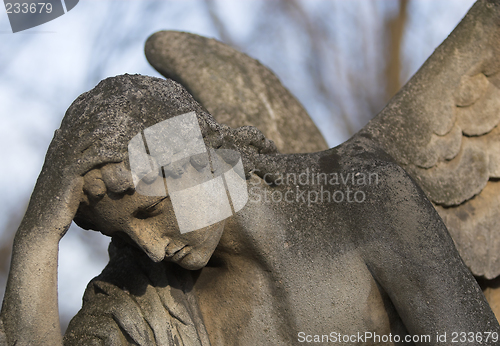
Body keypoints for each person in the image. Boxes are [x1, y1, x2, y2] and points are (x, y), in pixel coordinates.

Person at [1, 74, 499, 345]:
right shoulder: (140, 297)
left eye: (150, 212)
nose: (151, 248)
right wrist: (38, 235)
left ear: (196, 158)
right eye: (126, 236)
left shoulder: (360, 195)